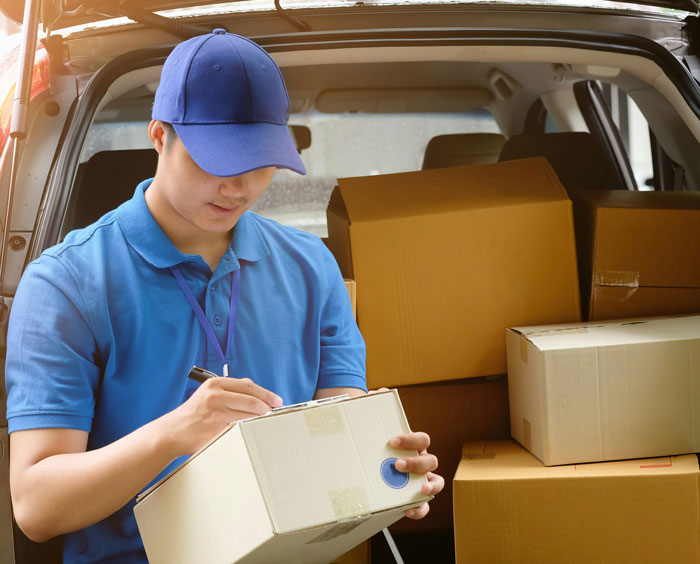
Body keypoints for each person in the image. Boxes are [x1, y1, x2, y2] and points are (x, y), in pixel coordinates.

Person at [5, 29, 443, 563]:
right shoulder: (67, 283)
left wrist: (387, 477)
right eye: (214, 161)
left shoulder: (311, 267)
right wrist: (175, 433)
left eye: (258, 164)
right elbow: (36, 508)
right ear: (160, 136)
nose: (236, 187)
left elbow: (339, 428)